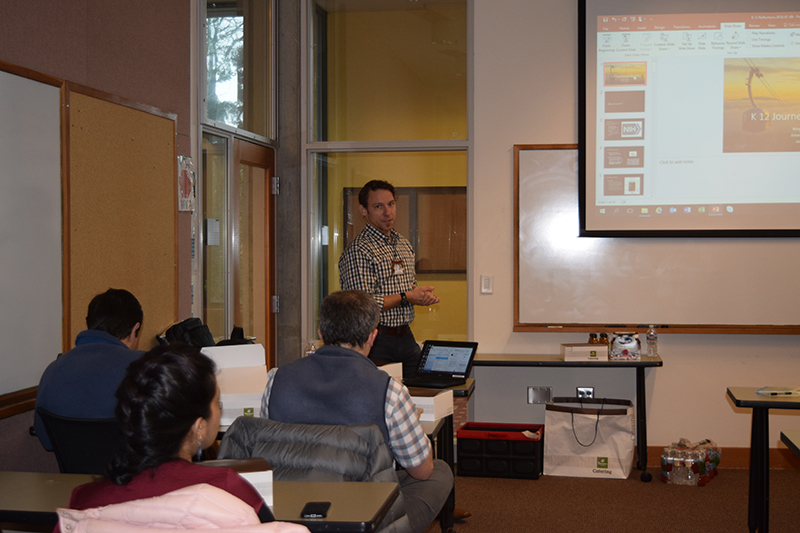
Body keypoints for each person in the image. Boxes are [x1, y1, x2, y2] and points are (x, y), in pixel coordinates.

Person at [260, 290, 454, 533]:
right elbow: (422, 470)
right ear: (373, 336)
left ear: (321, 333)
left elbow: (265, 448)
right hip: (360, 514)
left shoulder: (276, 379)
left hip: (290, 509)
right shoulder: (389, 390)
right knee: (439, 471)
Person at [66, 344, 275, 523]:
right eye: (217, 403)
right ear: (199, 427)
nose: (219, 411)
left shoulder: (83, 502)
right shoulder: (228, 490)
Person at [338, 180, 439, 377]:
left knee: (423, 391)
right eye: (378, 207)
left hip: (406, 337)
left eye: (391, 204)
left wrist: (421, 296)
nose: (387, 212)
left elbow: (409, 287)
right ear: (363, 210)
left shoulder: (402, 243)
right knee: (378, 400)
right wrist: (406, 297)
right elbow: (363, 304)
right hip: (374, 340)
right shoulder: (360, 250)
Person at [34, 288, 145, 451]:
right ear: (134, 329)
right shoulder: (147, 366)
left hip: (73, 476)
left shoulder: (54, 369)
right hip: (134, 473)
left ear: (87, 325)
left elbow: (46, 439)